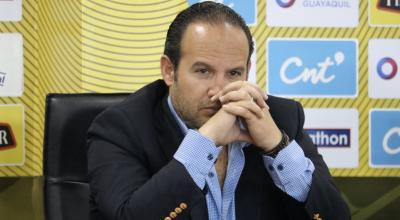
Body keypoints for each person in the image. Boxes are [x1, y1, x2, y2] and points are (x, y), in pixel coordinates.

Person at [87, 2, 350, 220]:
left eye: (234, 73)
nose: (220, 91)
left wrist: (276, 146)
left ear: (247, 70)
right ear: (169, 70)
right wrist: (205, 140)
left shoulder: (281, 118)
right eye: (203, 71)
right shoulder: (120, 128)